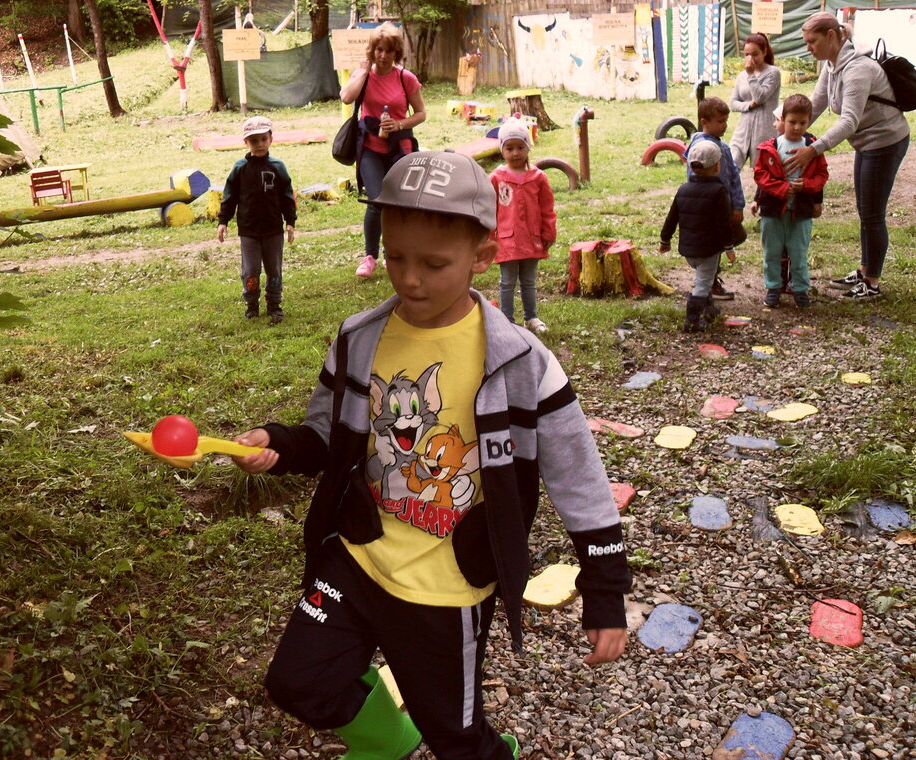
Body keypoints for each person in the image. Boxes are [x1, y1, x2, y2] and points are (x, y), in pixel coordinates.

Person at [231, 151, 631, 759]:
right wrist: (278, 446)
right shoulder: (359, 338)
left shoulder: (522, 364)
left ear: (483, 256)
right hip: (357, 559)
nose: (409, 279)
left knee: (455, 737)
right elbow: (325, 435)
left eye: (433, 264)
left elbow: (580, 480)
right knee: (298, 682)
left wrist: (604, 589)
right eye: (395, 257)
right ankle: (391, 742)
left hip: (447, 590)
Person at [785, 11, 910, 301]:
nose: (808, 47)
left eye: (812, 41)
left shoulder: (857, 69)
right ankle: (865, 269)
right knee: (865, 208)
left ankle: (872, 282)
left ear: (831, 36)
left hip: (885, 141)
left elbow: (849, 121)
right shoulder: (832, 65)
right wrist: (784, 127)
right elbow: (816, 104)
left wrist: (813, 149)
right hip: (867, 143)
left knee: (873, 213)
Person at [339, 22, 427, 279]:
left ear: (396, 52)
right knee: (377, 201)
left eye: (389, 50)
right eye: (379, 49)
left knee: (397, 204)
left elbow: (421, 113)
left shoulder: (405, 78)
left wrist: (399, 124)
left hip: (400, 148)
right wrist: (364, 72)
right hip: (370, 148)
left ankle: (393, 254)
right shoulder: (363, 74)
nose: (384, 55)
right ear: (372, 50)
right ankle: (370, 257)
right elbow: (346, 97)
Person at [216, 115, 296, 323]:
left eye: (263, 139)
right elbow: (230, 196)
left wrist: (290, 222)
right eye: (253, 140)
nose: (259, 144)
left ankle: (274, 305)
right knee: (250, 270)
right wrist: (223, 221)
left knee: (274, 269)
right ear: (246, 142)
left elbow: (287, 196)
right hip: (249, 231)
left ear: (271, 139)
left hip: (273, 230)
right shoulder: (240, 168)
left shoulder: (278, 167)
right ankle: (251, 304)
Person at [754, 94, 830, 309]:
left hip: (801, 211)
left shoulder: (813, 148)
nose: (797, 127)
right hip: (772, 210)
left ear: (809, 121)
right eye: (792, 122)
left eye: (802, 123)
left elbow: (822, 175)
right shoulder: (770, 147)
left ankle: (800, 289)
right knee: (772, 252)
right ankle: (773, 287)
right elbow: (760, 174)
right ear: (783, 120)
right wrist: (781, 189)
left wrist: (805, 185)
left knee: (798, 252)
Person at [489, 118, 556, 333]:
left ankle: (531, 318)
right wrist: (488, 238)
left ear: (528, 147)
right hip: (507, 240)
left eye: (520, 147)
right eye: (509, 148)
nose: (516, 153)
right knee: (507, 282)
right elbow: (489, 210)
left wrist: (548, 231)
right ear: (502, 150)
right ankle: (507, 320)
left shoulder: (538, 177)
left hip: (531, 238)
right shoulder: (496, 178)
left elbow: (547, 208)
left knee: (528, 281)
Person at [661, 140, 736, 332]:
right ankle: (692, 321)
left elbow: (672, 217)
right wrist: (729, 247)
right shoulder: (718, 191)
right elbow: (723, 223)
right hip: (708, 250)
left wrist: (665, 240)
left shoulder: (683, 189)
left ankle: (709, 310)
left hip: (688, 250)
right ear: (717, 166)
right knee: (703, 283)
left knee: (705, 278)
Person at [684, 96, 745, 302]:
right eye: (720, 121)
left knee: (724, 240)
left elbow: (733, 177)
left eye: (725, 121)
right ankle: (708, 283)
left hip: (723, 206)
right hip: (707, 209)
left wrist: (737, 205)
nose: (724, 126)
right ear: (704, 122)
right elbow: (693, 180)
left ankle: (709, 281)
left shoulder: (723, 147)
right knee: (710, 245)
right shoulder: (699, 148)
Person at [729, 32, 782, 170]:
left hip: (764, 130)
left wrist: (751, 75)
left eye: (755, 54)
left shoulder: (773, 72)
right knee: (731, 165)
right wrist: (749, 105)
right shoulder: (741, 76)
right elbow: (733, 103)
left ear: (764, 52)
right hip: (743, 129)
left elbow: (760, 97)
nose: (750, 59)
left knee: (763, 170)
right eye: (747, 54)